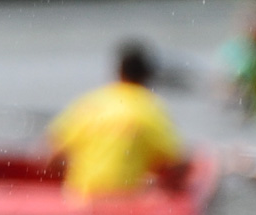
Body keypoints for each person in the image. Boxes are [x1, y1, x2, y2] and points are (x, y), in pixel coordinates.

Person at [47, 40, 184, 198]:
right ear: (148, 76)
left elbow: (53, 158)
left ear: (118, 72)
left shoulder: (90, 102)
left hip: (82, 200)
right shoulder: (150, 107)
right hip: (127, 201)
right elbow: (177, 165)